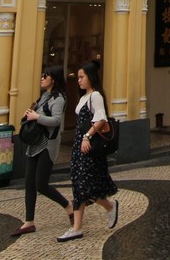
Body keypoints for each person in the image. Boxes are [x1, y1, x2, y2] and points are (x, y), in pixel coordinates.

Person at [56, 61, 118, 242]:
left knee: (84, 185)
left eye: (82, 77)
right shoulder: (83, 97)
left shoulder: (96, 96)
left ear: (91, 77)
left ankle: (109, 206)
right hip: (79, 146)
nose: (79, 80)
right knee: (78, 185)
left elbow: (101, 119)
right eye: (78, 77)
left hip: (88, 146)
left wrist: (87, 137)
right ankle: (77, 227)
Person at [12, 67, 73, 237]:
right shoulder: (43, 97)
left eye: (45, 76)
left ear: (53, 79)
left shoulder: (59, 98)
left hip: (47, 144)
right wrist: (29, 115)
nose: (42, 78)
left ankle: (68, 206)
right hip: (35, 144)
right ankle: (29, 221)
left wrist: (36, 117)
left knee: (41, 184)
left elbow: (55, 121)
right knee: (29, 183)